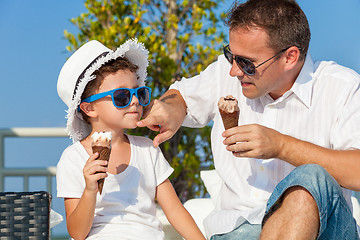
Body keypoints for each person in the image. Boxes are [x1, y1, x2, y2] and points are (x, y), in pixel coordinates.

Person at [137, 0, 360, 239]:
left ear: (290, 57)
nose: (234, 70)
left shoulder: (342, 87)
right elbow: (180, 96)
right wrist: (171, 108)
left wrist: (281, 145)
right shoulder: (227, 72)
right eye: (230, 55)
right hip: (236, 231)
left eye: (246, 63)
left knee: (310, 178)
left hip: (325, 230)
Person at [56, 39, 205, 240]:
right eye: (122, 97)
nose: (135, 101)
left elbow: (175, 211)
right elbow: (77, 232)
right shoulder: (73, 159)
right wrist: (90, 189)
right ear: (89, 108)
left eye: (139, 93)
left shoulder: (148, 150)